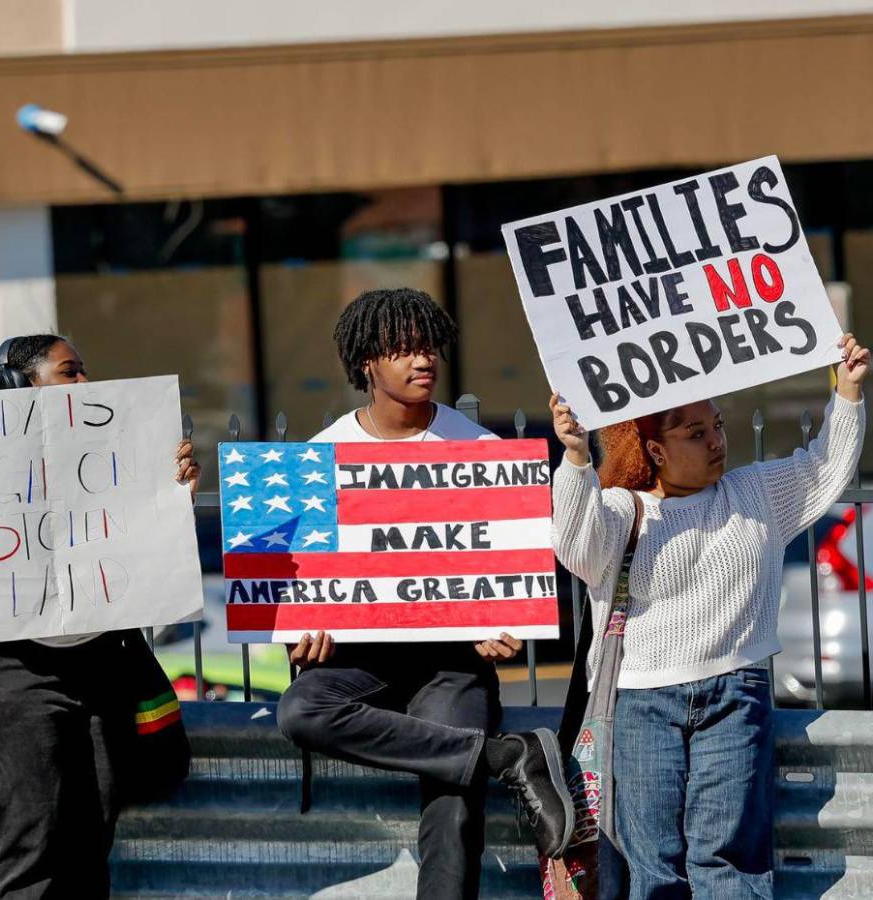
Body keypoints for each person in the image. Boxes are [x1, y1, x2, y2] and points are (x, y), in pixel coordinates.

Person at [276, 288, 575, 900]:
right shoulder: (319, 458)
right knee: (299, 709)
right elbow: (297, 591)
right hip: (363, 666)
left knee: (453, 805)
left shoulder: (483, 454)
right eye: (403, 348)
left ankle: (475, 765)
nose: (423, 360)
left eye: (428, 346)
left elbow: (512, 581)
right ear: (367, 362)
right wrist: (301, 641)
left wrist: (504, 626)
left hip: (452, 664)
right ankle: (502, 757)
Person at [550, 334, 868, 898]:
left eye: (717, 425)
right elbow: (577, 548)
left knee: (729, 863)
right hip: (641, 703)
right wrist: (576, 460)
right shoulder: (625, 510)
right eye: (695, 433)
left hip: (735, 694)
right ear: (653, 451)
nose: (717, 441)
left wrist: (846, 392)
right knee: (655, 867)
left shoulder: (755, 493)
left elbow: (824, 470)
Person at [0, 335, 200, 899]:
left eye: (85, 371)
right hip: (5, 673)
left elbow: (142, 534)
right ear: (19, 386)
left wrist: (170, 482)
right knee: (26, 840)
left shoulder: (114, 444)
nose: (85, 383)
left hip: (99, 662)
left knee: (90, 834)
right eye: (69, 372)